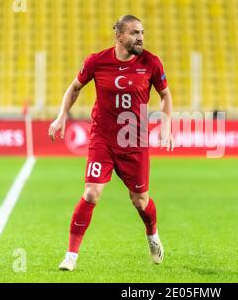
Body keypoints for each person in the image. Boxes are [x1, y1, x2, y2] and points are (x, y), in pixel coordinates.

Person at [48, 15, 174, 271]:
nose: (140, 37)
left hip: (134, 142)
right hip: (103, 139)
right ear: (118, 36)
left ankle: (152, 235)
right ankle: (71, 256)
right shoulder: (97, 61)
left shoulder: (151, 63)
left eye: (142, 32)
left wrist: (167, 123)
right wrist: (62, 115)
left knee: (139, 200)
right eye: (134, 33)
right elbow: (74, 88)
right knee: (91, 193)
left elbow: (165, 94)